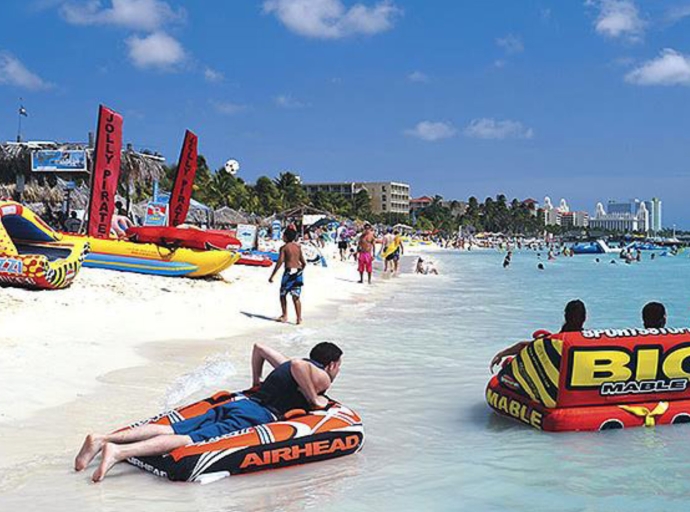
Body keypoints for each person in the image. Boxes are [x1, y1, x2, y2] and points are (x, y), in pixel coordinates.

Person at [75, 342, 343, 482]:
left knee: (174, 428)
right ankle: (120, 452)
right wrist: (314, 399)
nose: (337, 371)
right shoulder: (321, 376)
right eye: (338, 366)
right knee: (190, 440)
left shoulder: (286, 364)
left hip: (239, 404)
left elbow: (260, 347)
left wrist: (255, 381)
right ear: (331, 364)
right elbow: (298, 366)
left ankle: (103, 438)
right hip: (256, 416)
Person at [490, 300, 587, 370]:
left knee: (509, 363)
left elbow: (523, 346)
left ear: (565, 316)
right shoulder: (590, 341)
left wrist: (501, 354)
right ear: (585, 318)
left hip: (555, 387)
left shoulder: (554, 341)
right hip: (583, 385)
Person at [269, 228, 306, 324]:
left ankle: (284, 315)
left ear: (285, 237)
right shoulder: (298, 247)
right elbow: (303, 262)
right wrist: (301, 270)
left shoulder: (284, 248)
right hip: (298, 272)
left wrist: (272, 275)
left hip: (289, 272)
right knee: (296, 296)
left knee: (282, 294)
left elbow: (280, 262)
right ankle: (299, 318)